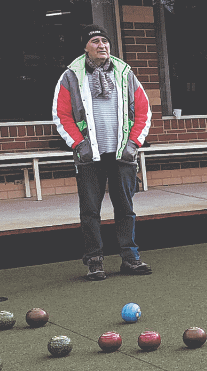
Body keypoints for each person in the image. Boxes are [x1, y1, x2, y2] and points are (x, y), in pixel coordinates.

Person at [52, 25, 152, 280]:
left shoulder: (125, 72)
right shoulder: (71, 76)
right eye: (95, 41)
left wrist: (133, 145)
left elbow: (143, 111)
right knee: (90, 211)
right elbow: (62, 115)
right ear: (85, 47)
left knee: (126, 209)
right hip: (89, 156)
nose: (102, 46)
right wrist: (79, 146)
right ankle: (95, 261)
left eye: (105, 41)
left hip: (122, 154)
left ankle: (130, 258)